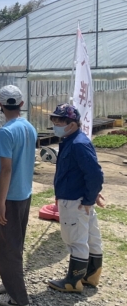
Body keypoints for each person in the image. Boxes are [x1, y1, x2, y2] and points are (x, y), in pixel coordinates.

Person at [47, 104, 105, 292]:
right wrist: (91, 195)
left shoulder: (77, 144)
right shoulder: (73, 141)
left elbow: (95, 174)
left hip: (74, 200)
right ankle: (91, 274)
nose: (56, 126)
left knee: (75, 239)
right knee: (90, 236)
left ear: (72, 124)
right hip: (80, 197)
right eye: (54, 122)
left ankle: (73, 281)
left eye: (59, 123)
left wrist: (89, 198)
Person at [0, 85, 37, 306]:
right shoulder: (29, 127)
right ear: (21, 104)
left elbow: (6, 169)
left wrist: (0, 203)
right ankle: (9, 284)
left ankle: (18, 298)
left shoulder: (5, 132)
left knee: (7, 245)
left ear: (0, 104)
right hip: (24, 193)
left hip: (9, 196)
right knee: (15, 243)